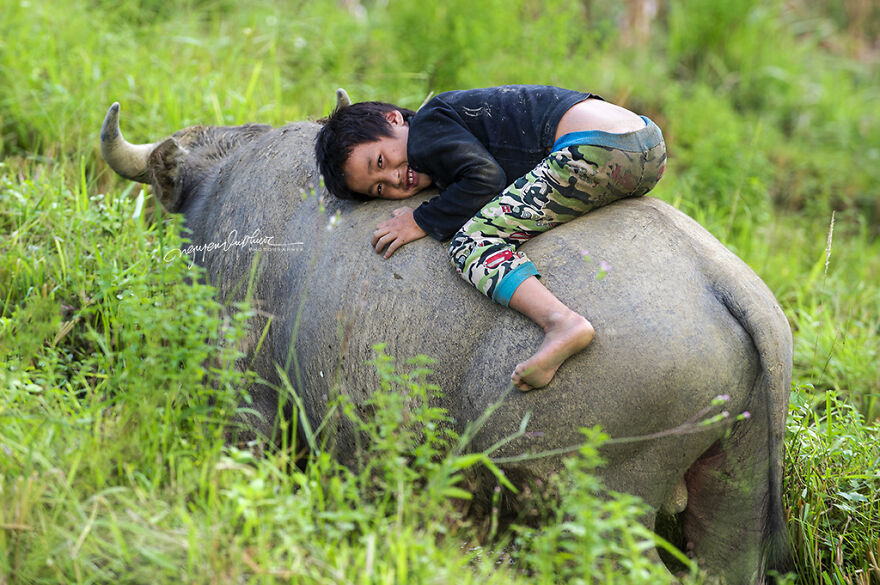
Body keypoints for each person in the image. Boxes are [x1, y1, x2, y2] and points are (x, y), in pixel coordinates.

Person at [314, 85, 666, 391]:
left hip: (594, 148)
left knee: (471, 243)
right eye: (379, 187)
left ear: (394, 119)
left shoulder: (426, 129)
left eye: (381, 160)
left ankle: (562, 322)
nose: (395, 178)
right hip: (645, 143)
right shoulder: (450, 122)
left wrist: (421, 219)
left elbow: (485, 179)